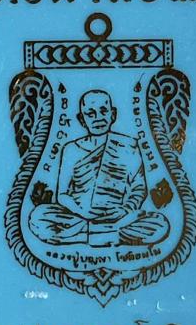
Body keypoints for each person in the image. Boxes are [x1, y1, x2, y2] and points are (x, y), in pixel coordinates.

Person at [29, 90, 169, 246]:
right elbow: (62, 195)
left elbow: (138, 188)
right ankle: (107, 236)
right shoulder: (71, 149)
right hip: (79, 217)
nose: (98, 118)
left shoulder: (128, 145)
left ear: (113, 115)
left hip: (116, 217)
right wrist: (81, 211)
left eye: (103, 111)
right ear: (82, 119)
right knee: (38, 217)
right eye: (90, 114)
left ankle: (86, 236)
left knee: (160, 224)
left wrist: (125, 210)